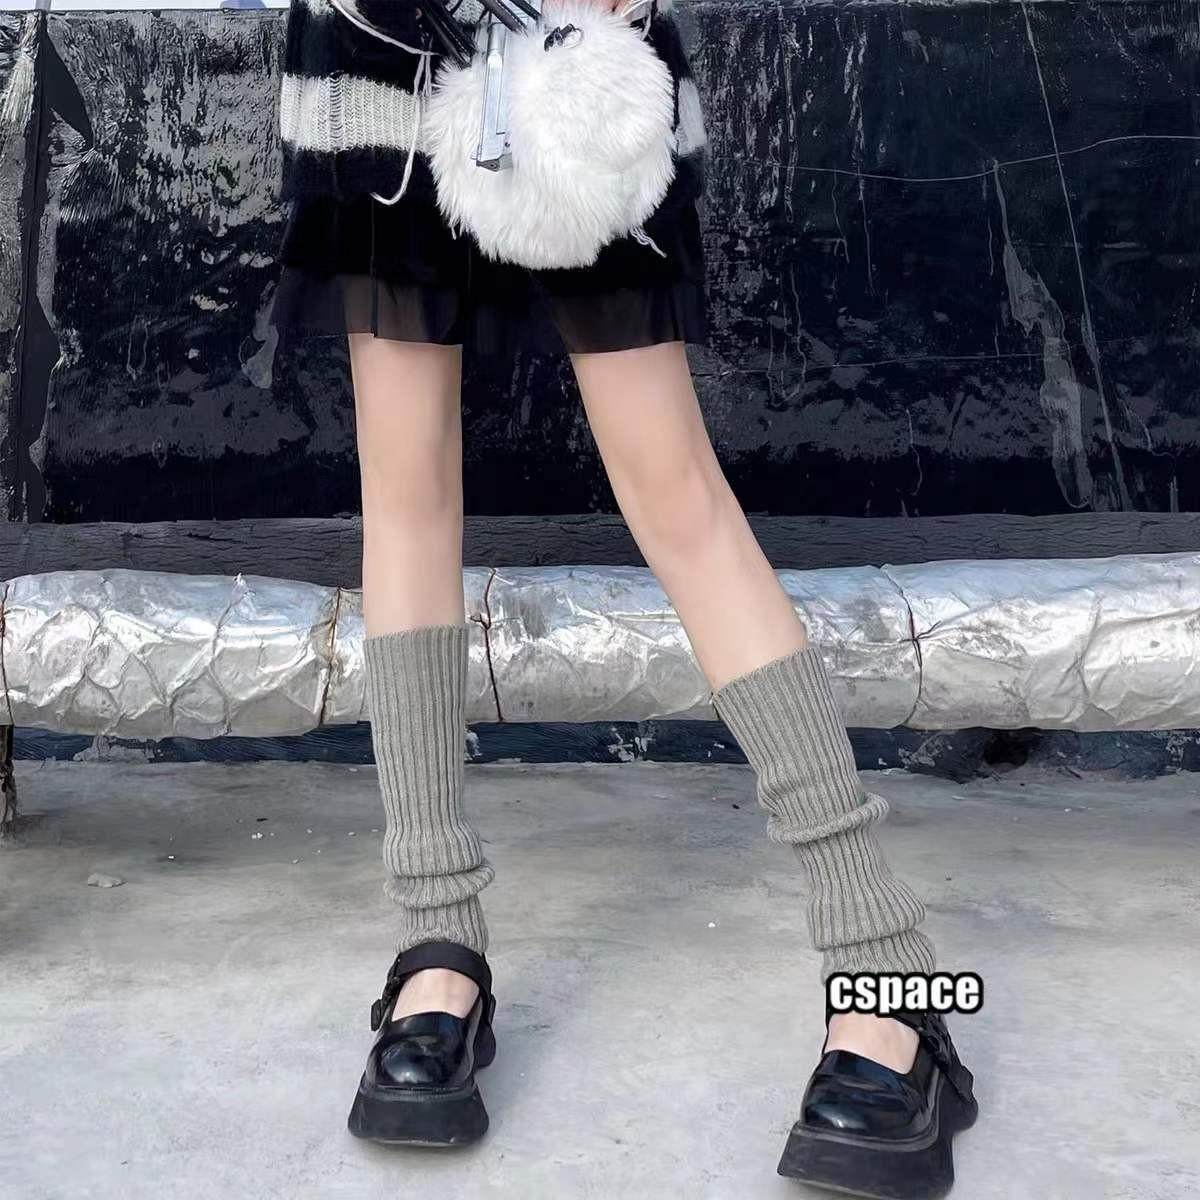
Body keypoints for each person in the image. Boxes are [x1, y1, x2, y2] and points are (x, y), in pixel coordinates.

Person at [268, 0, 977, 1192]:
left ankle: (886, 961)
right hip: (376, 53)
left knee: (675, 490)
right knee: (403, 488)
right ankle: (436, 944)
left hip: (581, 51)